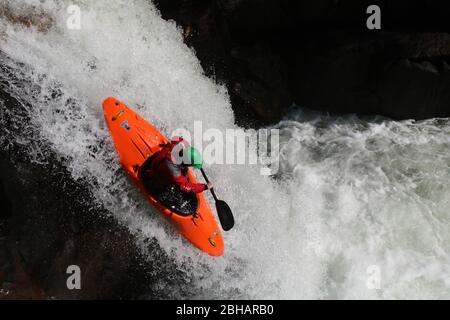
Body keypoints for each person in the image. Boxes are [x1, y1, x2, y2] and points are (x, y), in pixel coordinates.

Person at [144, 137, 213, 194]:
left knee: (184, 172)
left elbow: (176, 139)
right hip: (154, 177)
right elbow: (186, 187)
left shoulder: (176, 146)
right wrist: (205, 187)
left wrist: (183, 141)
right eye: (191, 165)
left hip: (158, 160)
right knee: (177, 188)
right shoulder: (175, 171)